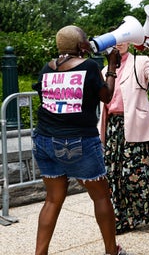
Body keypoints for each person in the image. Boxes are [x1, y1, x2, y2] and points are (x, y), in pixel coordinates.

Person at [31, 25, 125, 255]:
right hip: (78, 141)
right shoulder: (90, 66)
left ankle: (39, 253)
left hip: (44, 139)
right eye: (85, 41)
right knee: (102, 195)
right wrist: (112, 65)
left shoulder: (47, 68)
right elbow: (107, 96)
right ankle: (112, 251)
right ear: (81, 46)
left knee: (53, 199)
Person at [98, 39, 149, 234]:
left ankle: (145, 214)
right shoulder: (105, 70)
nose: (119, 45)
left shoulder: (141, 61)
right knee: (114, 175)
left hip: (134, 124)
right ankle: (120, 218)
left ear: (129, 42)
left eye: (123, 40)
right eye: (115, 41)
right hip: (112, 126)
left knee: (136, 174)